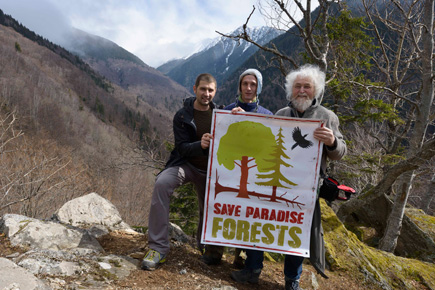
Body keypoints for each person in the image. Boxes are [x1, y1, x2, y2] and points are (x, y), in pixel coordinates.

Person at [230, 64, 347, 290]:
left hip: (306, 187)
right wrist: (242, 120)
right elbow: (267, 142)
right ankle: (252, 269)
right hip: (276, 181)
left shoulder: (327, 117)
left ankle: (292, 280)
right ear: (290, 90)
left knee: (297, 233)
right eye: (297, 87)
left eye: (307, 86)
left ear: (316, 91)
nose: (302, 91)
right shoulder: (282, 114)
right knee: (260, 221)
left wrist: (332, 141)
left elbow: (341, 151)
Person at [141, 73, 223, 270]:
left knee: (210, 208)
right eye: (203, 89)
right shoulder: (182, 115)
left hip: (211, 171)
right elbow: (182, 147)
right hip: (186, 165)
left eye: (210, 90)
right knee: (162, 183)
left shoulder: (221, 114)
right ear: (194, 89)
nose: (207, 94)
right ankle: (158, 247)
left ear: (215, 91)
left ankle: (206, 247)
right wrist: (200, 145)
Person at [223, 68, 273, 268]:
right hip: (231, 171)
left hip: (255, 175)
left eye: (253, 84)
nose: (249, 88)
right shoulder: (227, 110)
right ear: (240, 86)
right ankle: (215, 250)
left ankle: (242, 255)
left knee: (250, 215)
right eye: (245, 84)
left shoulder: (266, 114)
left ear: (258, 88)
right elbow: (220, 138)